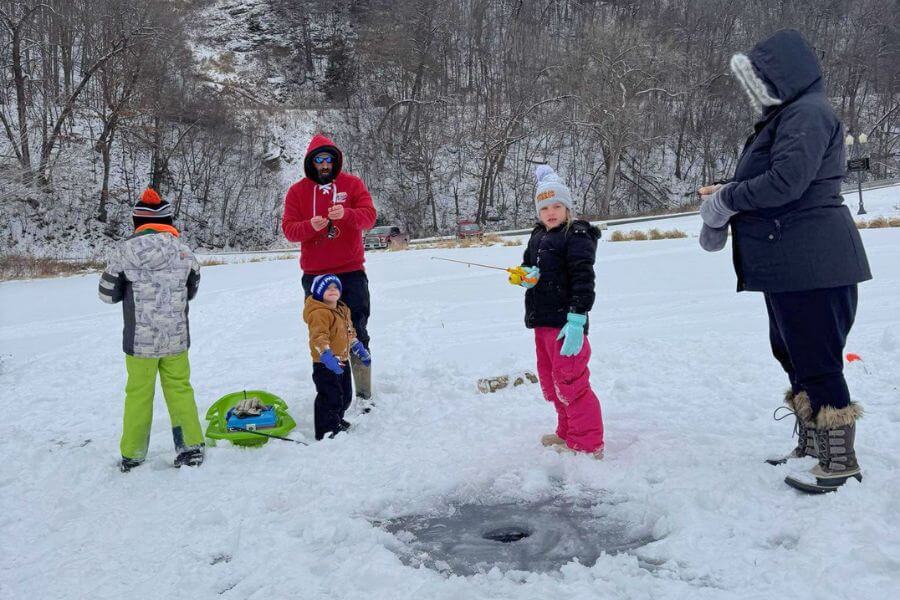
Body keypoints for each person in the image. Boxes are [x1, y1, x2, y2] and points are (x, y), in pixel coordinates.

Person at [698, 29, 872, 493]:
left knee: (817, 358)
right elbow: (773, 176)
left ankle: (840, 461)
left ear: (783, 73)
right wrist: (726, 192)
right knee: (792, 353)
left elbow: (787, 183)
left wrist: (728, 199)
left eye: (759, 78)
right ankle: (814, 445)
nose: (755, 88)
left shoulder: (808, 114)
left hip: (814, 258)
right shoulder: (789, 117)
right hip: (789, 260)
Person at [98, 187, 205, 472]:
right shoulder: (184, 253)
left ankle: (133, 453)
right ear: (168, 221)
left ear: (137, 223)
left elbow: (107, 294)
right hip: (176, 339)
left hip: (139, 342)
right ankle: (190, 447)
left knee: (138, 394)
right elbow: (191, 290)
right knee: (180, 389)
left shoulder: (124, 252)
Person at [509, 165, 604, 458]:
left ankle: (588, 444)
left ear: (567, 208)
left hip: (566, 324)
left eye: (557, 206)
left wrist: (577, 318)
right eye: (545, 207)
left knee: (571, 383)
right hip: (543, 322)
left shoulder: (576, 236)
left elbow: (583, 278)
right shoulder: (537, 236)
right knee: (552, 381)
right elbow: (529, 265)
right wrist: (525, 275)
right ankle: (567, 432)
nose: (551, 212)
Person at [282, 134, 377, 412]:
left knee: (357, 330)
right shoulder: (297, 192)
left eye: (328, 159)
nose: (324, 165)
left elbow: (369, 217)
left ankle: (363, 393)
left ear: (335, 161)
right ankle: (333, 398)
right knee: (323, 333)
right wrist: (311, 225)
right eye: (319, 160)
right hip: (316, 276)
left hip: (351, 273)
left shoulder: (352, 184)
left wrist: (347, 215)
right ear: (311, 163)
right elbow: (289, 230)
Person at [302, 274, 372, 440]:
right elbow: (318, 337)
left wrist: (358, 347)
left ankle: (337, 420)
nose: (332, 291)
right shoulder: (319, 313)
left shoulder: (343, 309)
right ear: (319, 292)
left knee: (345, 395)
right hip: (325, 364)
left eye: (335, 287)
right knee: (329, 397)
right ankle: (326, 430)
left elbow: (349, 332)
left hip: (342, 360)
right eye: (327, 288)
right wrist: (326, 355)